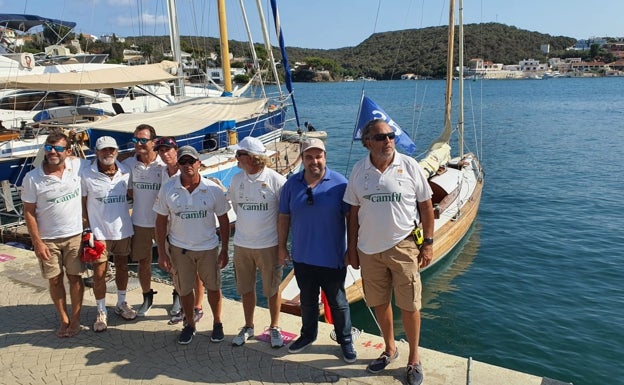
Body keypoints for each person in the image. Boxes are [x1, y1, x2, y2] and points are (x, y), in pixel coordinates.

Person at [343, 119, 434, 385]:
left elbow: (427, 207)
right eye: (382, 137)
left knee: (410, 304)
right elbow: (352, 215)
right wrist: (352, 250)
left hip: (404, 246)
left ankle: (414, 358)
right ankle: (390, 349)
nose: (389, 141)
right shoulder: (359, 171)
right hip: (369, 250)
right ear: (367, 141)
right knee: (379, 302)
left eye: (391, 136)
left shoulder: (409, 166)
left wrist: (427, 243)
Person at [277, 138, 357, 363]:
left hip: (333, 259)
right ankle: (308, 335)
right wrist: (281, 247)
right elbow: (284, 218)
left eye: (318, 156)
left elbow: (352, 220)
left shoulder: (341, 183)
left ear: (325, 157)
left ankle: (345, 340)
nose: (314, 161)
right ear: (302, 159)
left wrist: (352, 250)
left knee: (338, 302)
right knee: (308, 301)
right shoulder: (291, 185)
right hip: (302, 258)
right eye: (309, 157)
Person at [154, 146, 231, 345]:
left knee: (214, 287)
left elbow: (223, 220)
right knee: (184, 290)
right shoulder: (167, 189)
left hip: (208, 248)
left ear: (199, 163)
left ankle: (217, 322)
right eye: (183, 162)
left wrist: (224, 250)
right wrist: (162, 253)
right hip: (180, 250)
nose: (188, 165)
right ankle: (190, 324)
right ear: (178, 165)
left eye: (191, 161)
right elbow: (161, 222)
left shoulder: (213, 189)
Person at [21, 132, 85, 337]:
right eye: (49, 148)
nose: (53, 152)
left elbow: (105, 161)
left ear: (67, 151)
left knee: (75, 278)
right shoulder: (32, 178)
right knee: (55, 280)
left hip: (75, 235)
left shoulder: (77, 166)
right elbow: (28, 211)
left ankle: (75, 319)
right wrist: (37, 242)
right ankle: (63, 319)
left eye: (58, 148)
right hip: (48, 239)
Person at [227, 137, 287, 348]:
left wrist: (282, 247)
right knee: (246, 288)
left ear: (252, 158)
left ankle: (275, 326)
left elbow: (284, 216)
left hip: (269, 245)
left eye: (239, 154)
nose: (236, 158)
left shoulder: (277, 180)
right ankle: (248, 326)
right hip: (242, 245)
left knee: (272, 288)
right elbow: (236, 206)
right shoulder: (236, 180)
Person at [81, 136, 136, 332]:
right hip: (98, 232)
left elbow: (132, 196)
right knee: (99, 273)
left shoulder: (126, 171)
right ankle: (101, 310)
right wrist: (87, 230)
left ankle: (121, 303)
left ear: (117, 151)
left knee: (122, 266)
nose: (108, 153)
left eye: (112, 149)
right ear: (96, 152)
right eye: (104, 150)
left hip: (123, 229)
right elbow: (83, 204)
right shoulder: (86, 174)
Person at [154, 136, 205, 325]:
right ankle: (185, 307)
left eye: (168, 150)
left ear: (176, 150)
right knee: (176, 271)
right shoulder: (162, 172)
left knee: (196, 271)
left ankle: (197, 306)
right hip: (171, 228)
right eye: (161, 151)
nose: (165, 154)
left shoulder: (186, 172)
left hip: (190, 229)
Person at [122, 124, 164, 316]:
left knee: (171, 262)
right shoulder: (129, 164)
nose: (138, 144)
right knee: (143, 263)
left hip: (163, 223)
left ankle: (178, 296)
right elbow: (129, 190)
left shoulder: (164, 164)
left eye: (143, 140)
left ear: (153, 142)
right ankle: (147, 297)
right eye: (136, 140)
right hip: (139, 222)